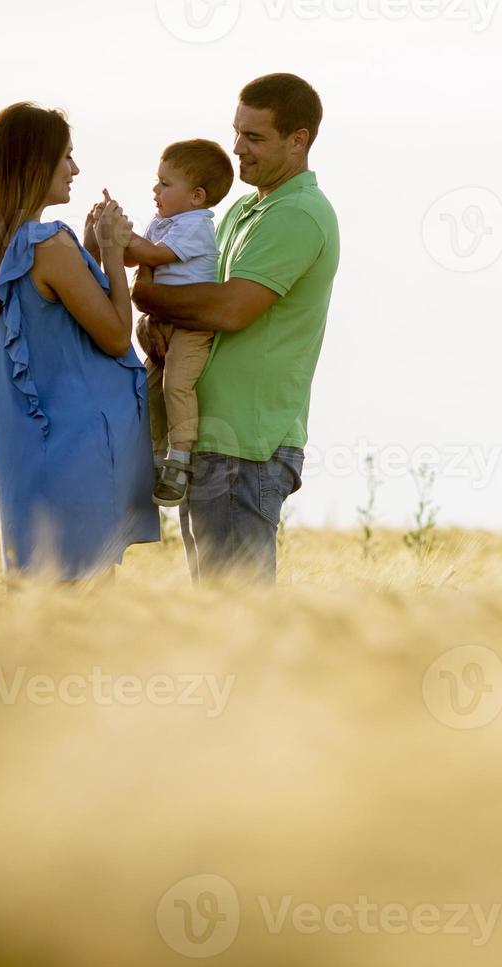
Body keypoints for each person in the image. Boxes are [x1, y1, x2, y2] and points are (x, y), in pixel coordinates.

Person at [132, 73, 340, 585]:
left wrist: (146, 295)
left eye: (254, 137)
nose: (237, 149)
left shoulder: (298, 214)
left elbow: (229, 309)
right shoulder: (244, 210)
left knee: (235, 619)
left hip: (244, 442)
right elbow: (195, 296)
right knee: (215, 616)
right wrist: (151, 324)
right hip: (213, 438)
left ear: (299, 140)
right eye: (237, 132)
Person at [0, 102, 159, 581]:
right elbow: (112, 336)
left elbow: (57, 321)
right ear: (34, 163)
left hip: (28, 464)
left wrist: (87, 250)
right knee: (86, 607)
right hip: (75, 456)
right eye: (66, 156)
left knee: (44, 606)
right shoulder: (48, 245)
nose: (75, 168)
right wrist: (111, 254)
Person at [123, 139, 236, 507]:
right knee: (150, 387)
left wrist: (124, 237)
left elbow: (153, 256)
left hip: (191, 327)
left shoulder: (195, 226)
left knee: (177, 386)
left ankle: (180, 460)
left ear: (196, 196)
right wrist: (115, 232)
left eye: (165, 184)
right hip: (163, 321)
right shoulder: (164, 222)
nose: (155, 190)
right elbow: (135, 261)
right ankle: (156, 457)